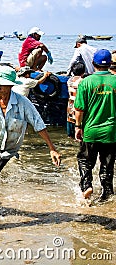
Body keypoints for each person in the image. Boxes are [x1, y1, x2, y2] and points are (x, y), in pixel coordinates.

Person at [0, 65, 61, 230]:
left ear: (11, 85)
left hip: (9, 148)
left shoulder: (22, 103)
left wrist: (52, 148)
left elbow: (38, 124)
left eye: (1, 85)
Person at [74, 49, 116, 201]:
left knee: (85, 160)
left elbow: (79, 109)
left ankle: (87, 186)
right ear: (110, 64)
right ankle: (107, 194)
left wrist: (78, 127)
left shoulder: (86, 82)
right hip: (111, 132)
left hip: (91, 131)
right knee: (107, 165)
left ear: (93, 64)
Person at [66, 62, 86, 138]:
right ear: (83, 71)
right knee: (80, 134)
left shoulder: (69, 80)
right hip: (79, 108)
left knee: (70, 133)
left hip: (70, 107)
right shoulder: (83, 81)